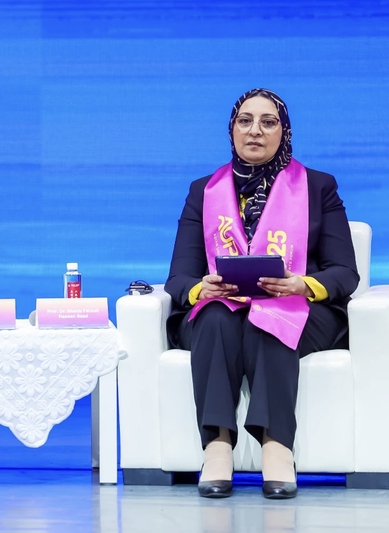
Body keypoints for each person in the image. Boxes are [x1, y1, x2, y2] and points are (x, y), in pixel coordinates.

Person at [165, 88, 358, 500]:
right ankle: (217, 447)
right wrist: (202, 288)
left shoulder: (318, 187)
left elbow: (345, 272)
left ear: (284, 132)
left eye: (268, 122)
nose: (255, 130)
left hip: (300, 309)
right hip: (222, 309)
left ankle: (277, 447)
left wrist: (301, 284)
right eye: (245, 121)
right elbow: (178, 277)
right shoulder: (203, 191)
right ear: (231, 130)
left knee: (269, 318)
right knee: (216, 316)